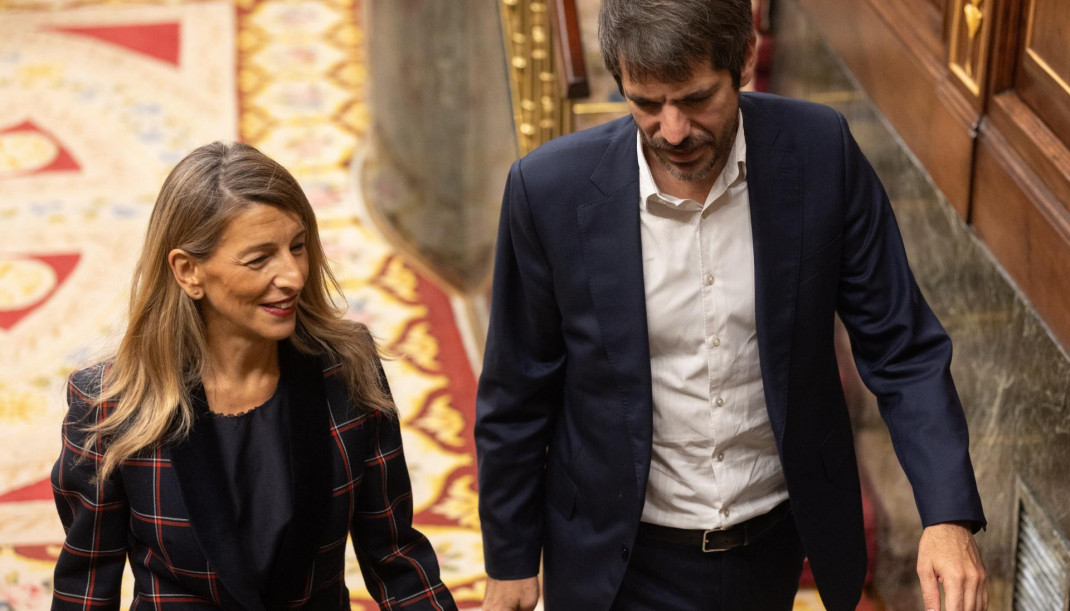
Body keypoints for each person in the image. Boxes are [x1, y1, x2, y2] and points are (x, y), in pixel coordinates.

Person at [474, 1, 987, 609]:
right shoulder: (547, 191)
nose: (672, 131)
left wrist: (947, 515)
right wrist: (509, 557)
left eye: (695, 99)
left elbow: (902, 347)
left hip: (771, 547)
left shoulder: (821, 152)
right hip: (616, 561)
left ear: (745, 60)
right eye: (646, 103)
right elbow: (516, 392)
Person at [51, 142, 457, 610]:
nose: (293, 276)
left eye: (297, 247)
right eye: (260, 258)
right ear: (188, 271)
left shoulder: (347, 370)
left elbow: (397, 560)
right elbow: (85, 591)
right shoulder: (109, 404)